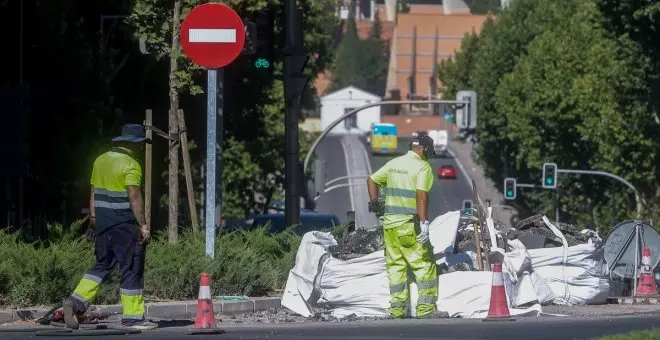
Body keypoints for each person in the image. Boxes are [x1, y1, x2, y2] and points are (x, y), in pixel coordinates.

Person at [63, 124, 157, 330]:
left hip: (103, 225)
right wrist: (144, 225)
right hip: (124, 224)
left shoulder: (100, 160)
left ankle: (76, 302)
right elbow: (134, 195)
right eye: (141, 144)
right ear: (134, 144)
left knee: (102, 265)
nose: (142, 148)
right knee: (132, 268)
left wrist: (93, 218)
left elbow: (94, 191)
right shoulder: (131, 164)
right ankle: (133, 318)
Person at [366, 134, 448, 319]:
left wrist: (374, 201)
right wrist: (424, 222)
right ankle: (426, 309)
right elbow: (421, 196)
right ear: (424, 149)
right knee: (423, 263)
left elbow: (372, 180)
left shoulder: (394, 163)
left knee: (396, 266)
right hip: (408, 225)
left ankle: (397, 309)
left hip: (389, 226)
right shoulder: (422, 167)